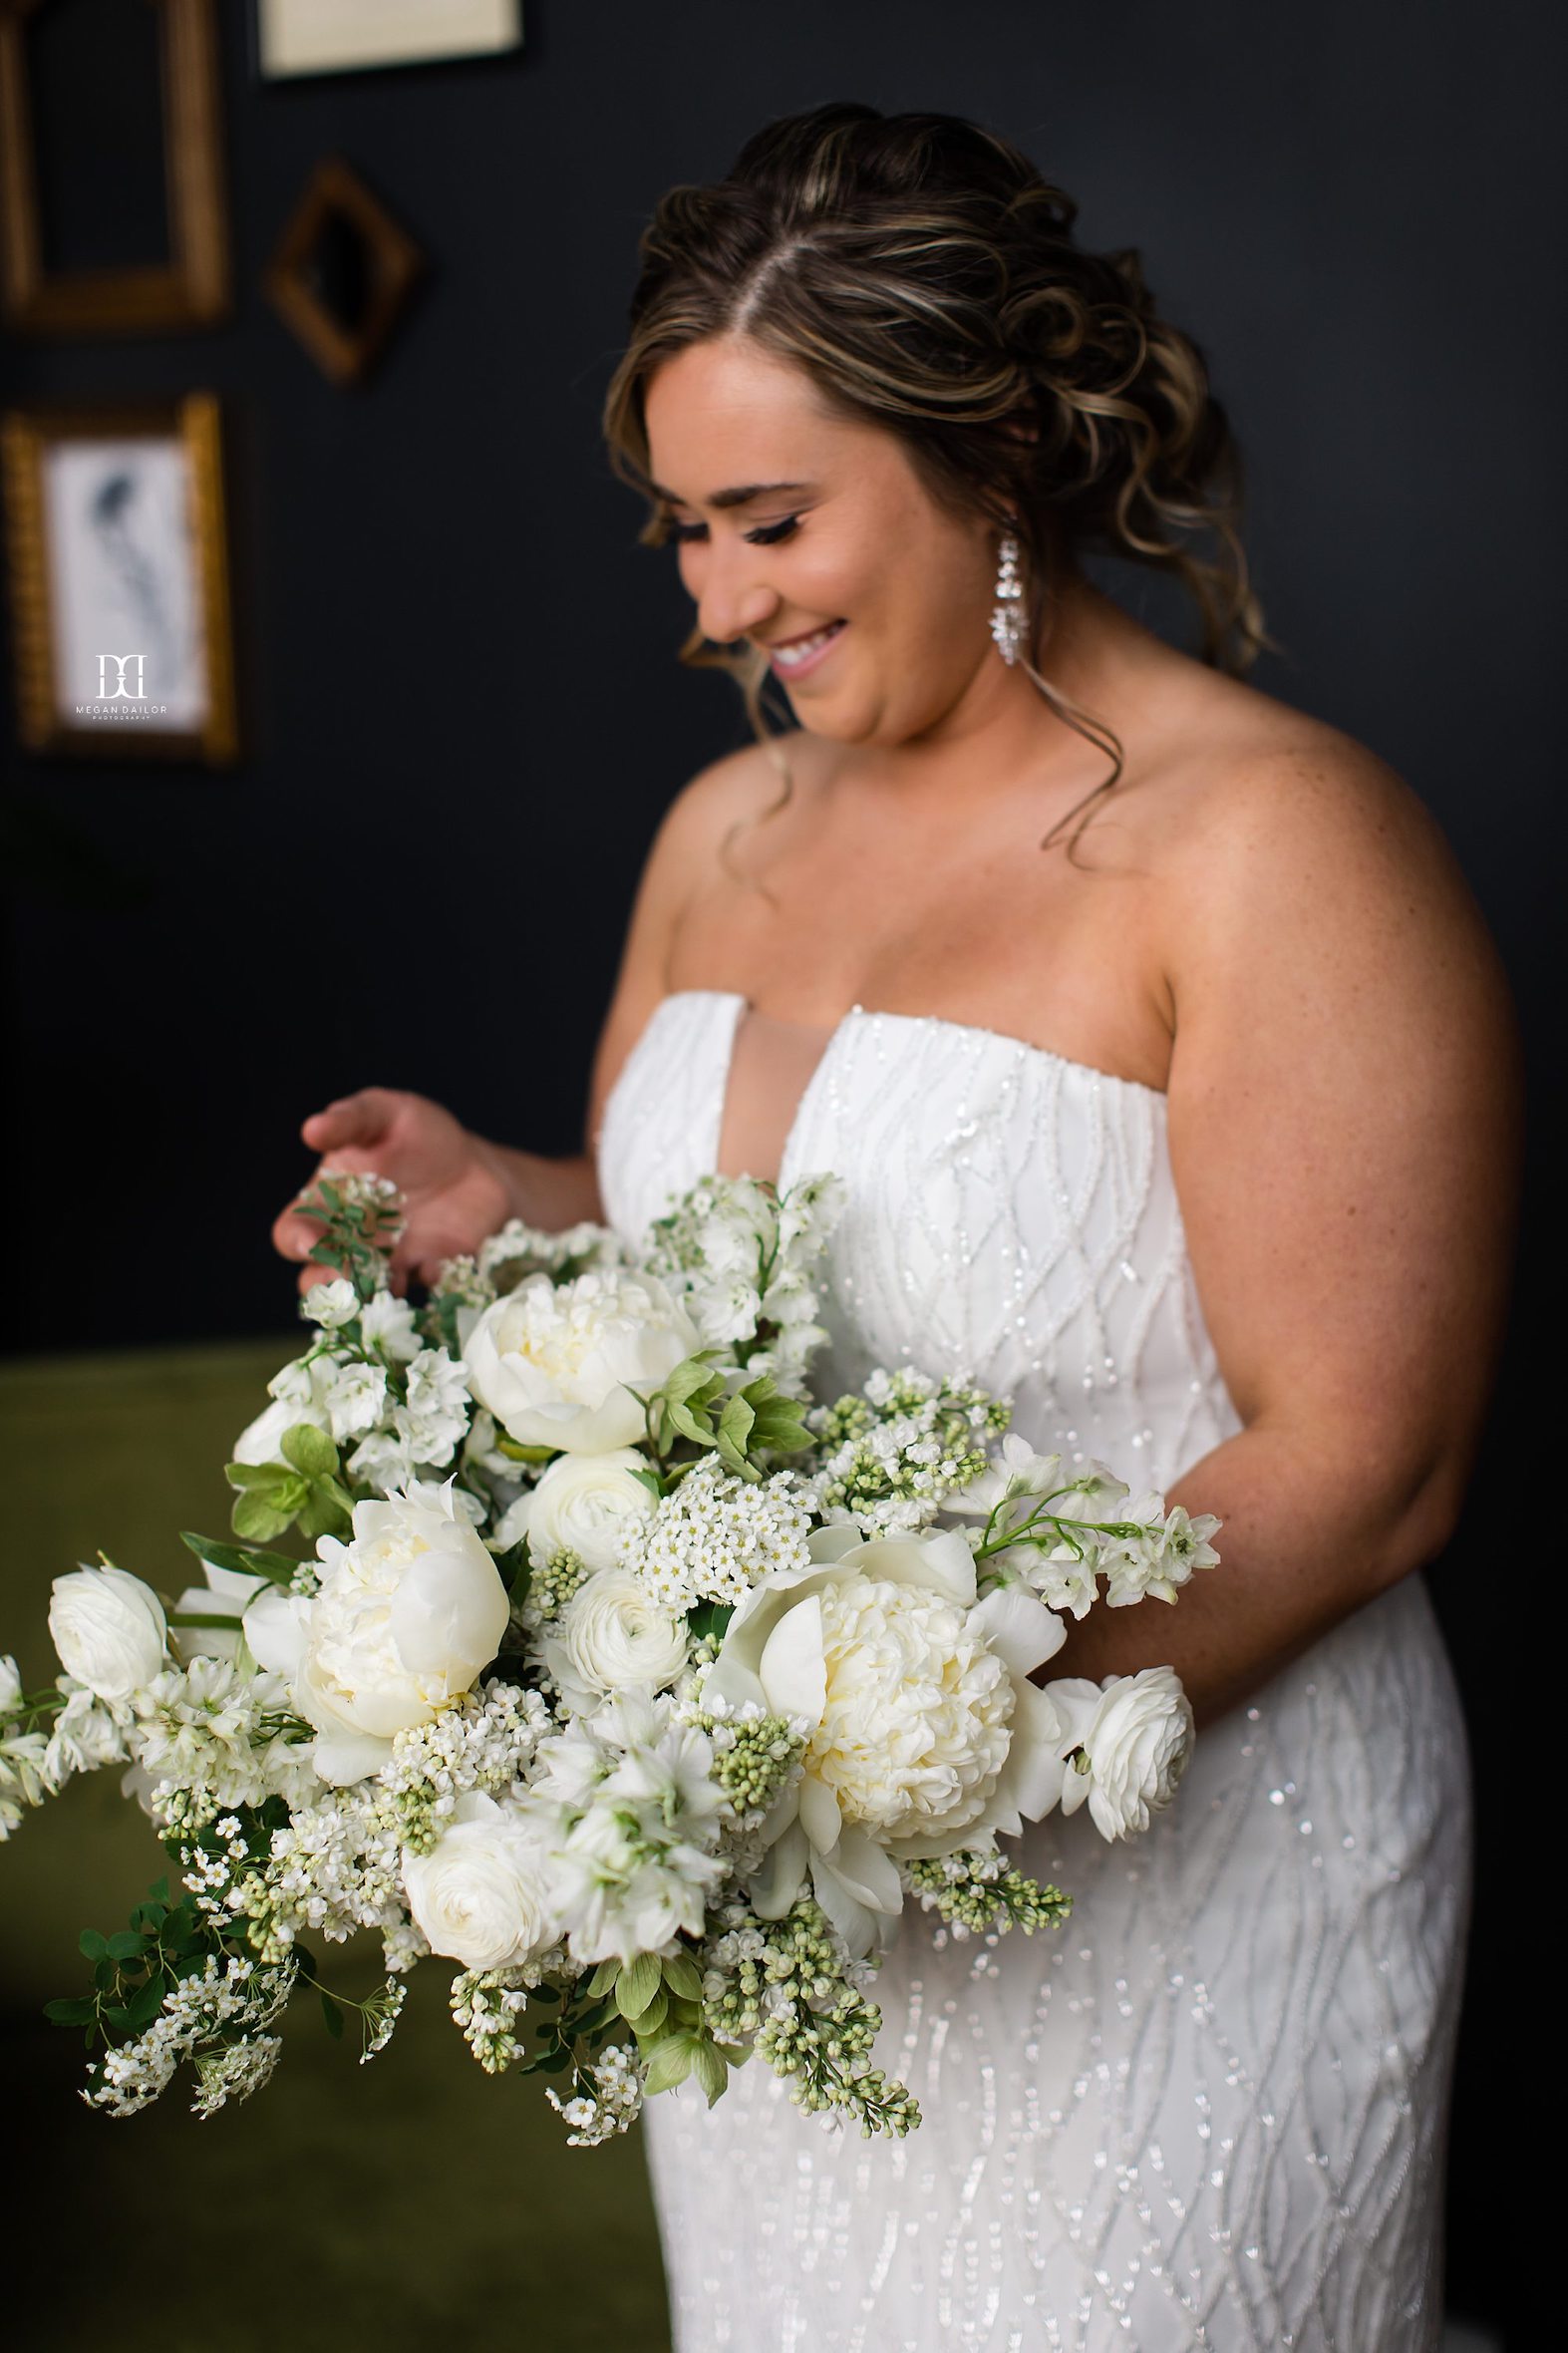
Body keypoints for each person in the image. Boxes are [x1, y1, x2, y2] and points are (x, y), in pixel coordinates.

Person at [271, 105, 1520, 2353]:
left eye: (769, 520)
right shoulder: (717, 830)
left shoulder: (1276, 850)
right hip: (782, 1923)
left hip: (1172, 1893)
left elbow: (1369, 1457)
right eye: (681, 532)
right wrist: (519, 1211)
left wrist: (894, 1763)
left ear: (999, 459)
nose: (716, 602)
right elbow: (724, 1294)